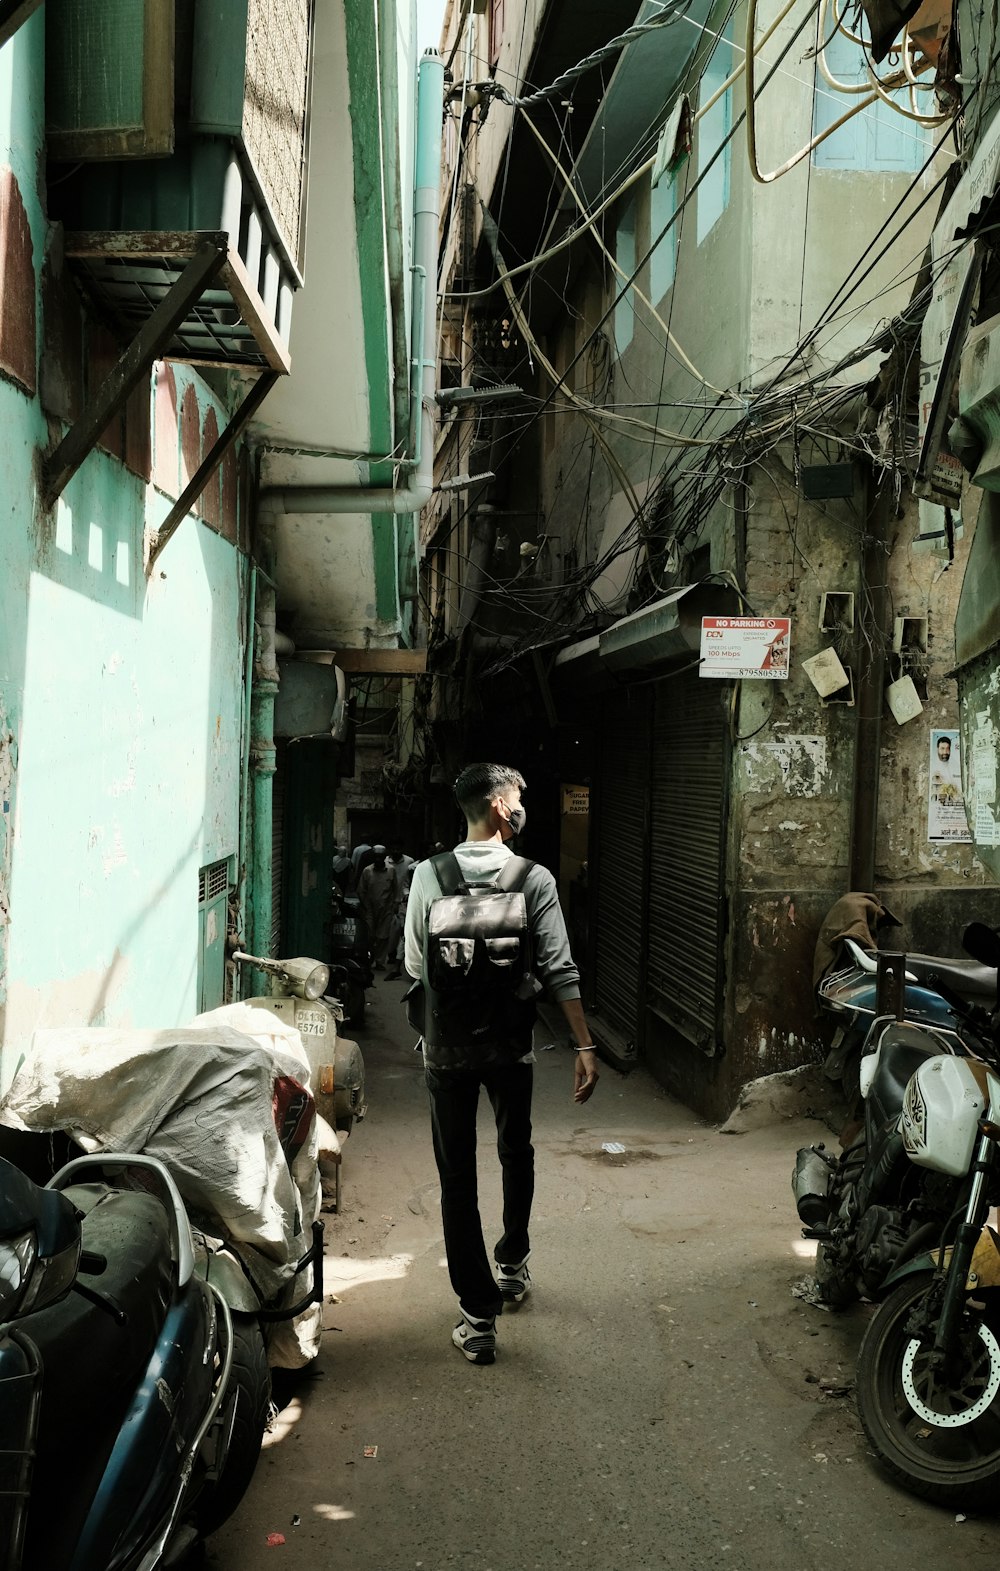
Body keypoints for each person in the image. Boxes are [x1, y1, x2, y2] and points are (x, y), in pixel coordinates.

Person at [403, 762, 599, 1365]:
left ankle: (477, 1317)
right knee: (517, 1150)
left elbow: (415, 967)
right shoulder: (532, 878)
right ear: (496, 807)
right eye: (516, 799)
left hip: (448, 1050)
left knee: (456, 1178)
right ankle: (511, 1264)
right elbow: (560, 968)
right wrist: (584, 1046)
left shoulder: (428, 875)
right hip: (510, 1046)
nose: (521, 808)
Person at [357, 846, 397, 968]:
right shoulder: (367, 871)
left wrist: (393, 905)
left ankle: (380, 961)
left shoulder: (391, 870)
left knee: (383, 936)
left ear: (385, 857)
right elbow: (361, 890)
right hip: (369, 907)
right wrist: (364, 906)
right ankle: (369, 958)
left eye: (381, 856)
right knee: (370, 936)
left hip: (386, 908)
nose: (378, 859)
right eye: (376, 857)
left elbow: (394, 889)